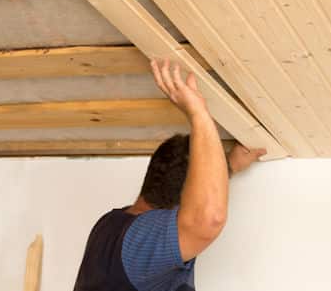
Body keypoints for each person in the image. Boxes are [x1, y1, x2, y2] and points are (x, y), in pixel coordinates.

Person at [73, 59, 267, 291]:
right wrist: (198, 114)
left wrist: (229, 166)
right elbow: (207, 218)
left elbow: (197, 212)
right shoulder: (139, 246)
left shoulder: (111, 226)